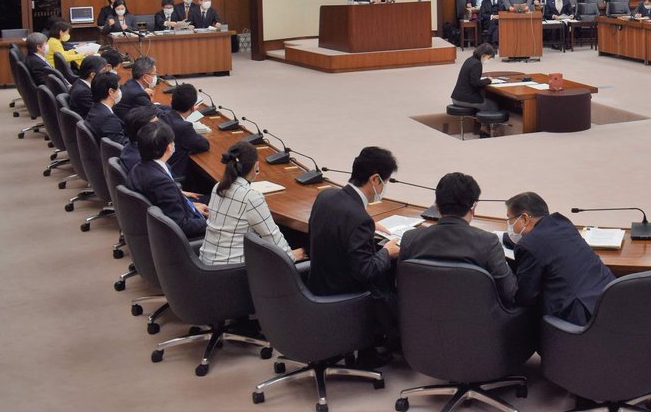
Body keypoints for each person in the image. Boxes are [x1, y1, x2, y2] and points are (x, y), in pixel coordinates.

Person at [307, 146, 400, 348]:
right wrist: (387, 252)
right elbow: (365, 270)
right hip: (344, 296)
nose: (384, 187)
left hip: (317, 285)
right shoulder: (359, 219)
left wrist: (367, 223)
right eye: (385, 181)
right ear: (375, 179)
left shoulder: (326, 196)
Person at [399, 172, 517, 307]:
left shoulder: (409, 238)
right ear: (473, 207)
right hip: (475, 318)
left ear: (436, 206)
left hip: (419, 316)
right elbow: (509, 293)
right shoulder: (488, 243)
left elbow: (400, 284)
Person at [504, 192, 615, 326]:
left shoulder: (529, 245)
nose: (509, 225)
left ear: (525, 219)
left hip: (579, 318)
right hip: (609, 300)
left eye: (510, 220)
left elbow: (525, 296)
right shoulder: (562, 223)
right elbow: (545, 244)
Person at [200, 143, 303, 266]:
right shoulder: (251, 197)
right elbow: (272, 236)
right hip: (232, 269)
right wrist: (292, 256)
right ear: (256, 166)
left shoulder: (218, 187)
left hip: (206, 263)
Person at [129, 121, 207, 238]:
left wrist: (191, 208)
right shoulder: (160, 181)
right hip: (182, 238)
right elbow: (182, 225)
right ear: (169, 147)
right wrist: (213, 223)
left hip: (169, 220)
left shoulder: (139, 167)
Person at [157, 83, 210, 181]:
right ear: (193, 107)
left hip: (159, 168)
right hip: (171, 174)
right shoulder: (184, 127)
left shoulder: (164, 115)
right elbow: (204, 145)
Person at [451, 43, 500, 136]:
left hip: (456, 97)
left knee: (484, 101)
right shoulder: (477, 64)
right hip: (464, 99)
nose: (488, 60)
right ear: (484, 55)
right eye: (489, 57)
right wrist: (488, 80)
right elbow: (475, 83)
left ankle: (482, 127)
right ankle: (485, 129)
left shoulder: (469, 60)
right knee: (492, 105)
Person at [87, 72, 129, 147]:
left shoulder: (95, 108)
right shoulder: (108, 118)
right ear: (111, 92)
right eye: (119, 88)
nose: (120, 91)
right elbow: (121, 145)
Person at [115, 55, 156, 121]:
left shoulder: (131, 82)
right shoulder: (139, 94)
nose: (155, 77)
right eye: (154, 74)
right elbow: (156, 113)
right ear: (145, 77)